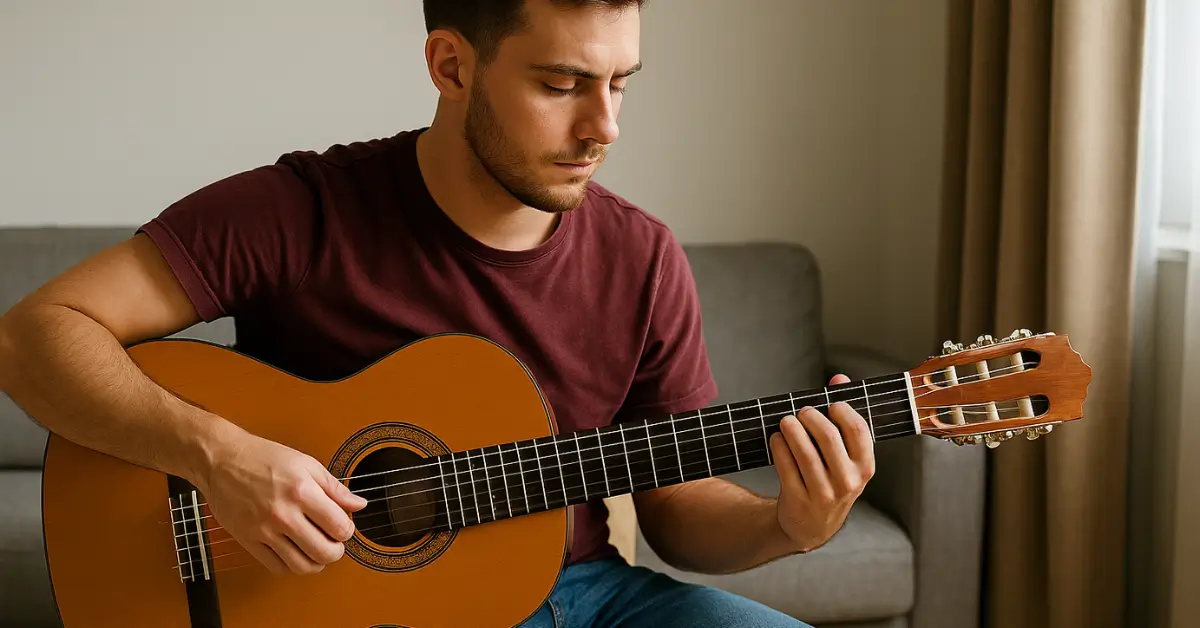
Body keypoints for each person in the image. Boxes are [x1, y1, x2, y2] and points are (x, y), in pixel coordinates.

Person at [0, 0, 876, 626]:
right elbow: (33, 335)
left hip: (586, 598)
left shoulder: (643, 259)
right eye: (563, 83)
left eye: (621, 83)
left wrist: (786, 526)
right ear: (452, 67)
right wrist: (220, 457)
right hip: (331, 607)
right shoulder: (304, 209)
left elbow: (678, 510)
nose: (603, 127)